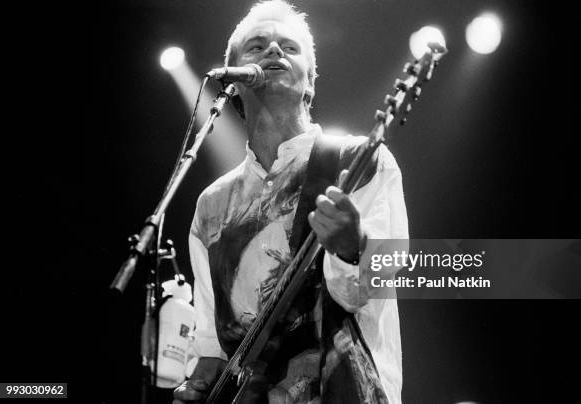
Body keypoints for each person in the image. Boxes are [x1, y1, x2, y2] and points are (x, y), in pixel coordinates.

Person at [173, 1, 409, 403]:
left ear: (310, 82)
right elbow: (212, 343)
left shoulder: (358, 161)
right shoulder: (211, 205)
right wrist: (196, 387)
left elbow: (370, 289)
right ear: (233, 83)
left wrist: (353, 248)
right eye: (257, 45)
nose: (273, 52)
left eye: (289, 47)